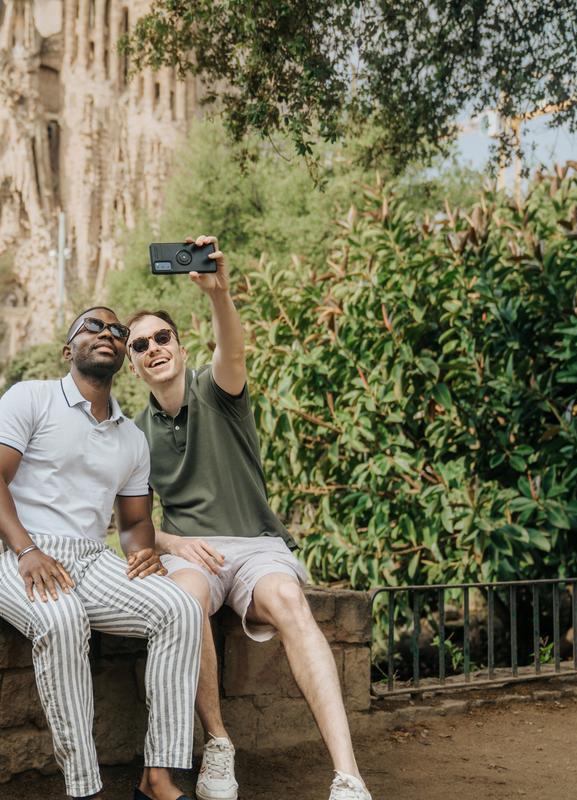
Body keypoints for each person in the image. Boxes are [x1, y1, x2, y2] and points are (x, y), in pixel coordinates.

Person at [125, 236, 373, 800]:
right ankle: (218, 745)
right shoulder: (135, 435)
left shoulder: (218, 392)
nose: (154, 348)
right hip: (194, 554)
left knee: (289, 601)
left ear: (180, 347)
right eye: (141, 345)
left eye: (163, 337)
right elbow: (128, 523)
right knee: (183, 604)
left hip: (257, 547)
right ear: (134, 365)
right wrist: (173, 543)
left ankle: (348, 776)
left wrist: (220, 295)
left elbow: (231, 350)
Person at [0, 306, 202, 800]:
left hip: (89, 557)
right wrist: (27, 548)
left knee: (180, 608)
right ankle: (84, 789)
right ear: (68, 349)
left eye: (119, 332)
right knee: (61, 621)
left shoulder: (131, 437)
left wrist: (144, 554)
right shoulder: (31, 397)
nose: (109, 334)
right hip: (14, 553)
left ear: (125, 354)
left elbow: (136, 520)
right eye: (94, 327)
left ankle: (158, 776)